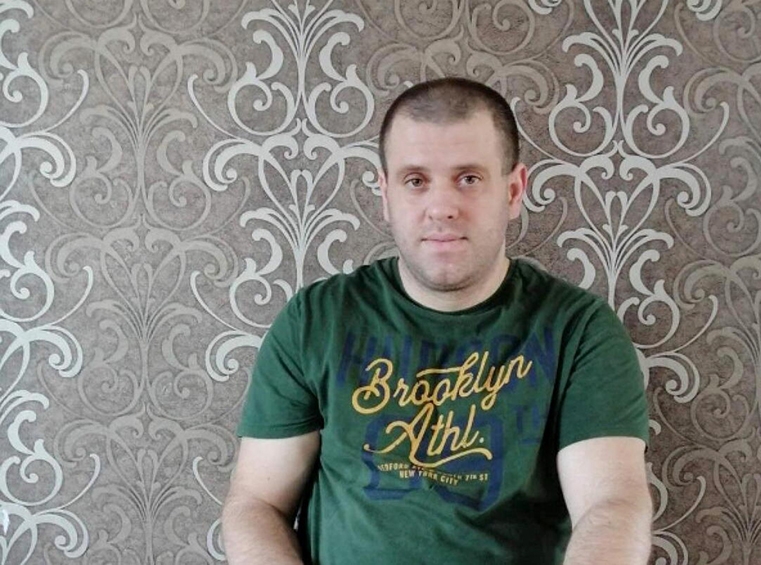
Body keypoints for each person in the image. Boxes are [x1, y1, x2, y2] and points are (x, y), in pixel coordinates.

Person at [221, 77, 652, 565]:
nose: (442, 208)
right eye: (416, 181)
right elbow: (257, 502)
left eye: (469, 179)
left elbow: (611, 505)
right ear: (386, 194)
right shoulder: (315, 321)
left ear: (513, 191)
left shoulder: (580, 330)